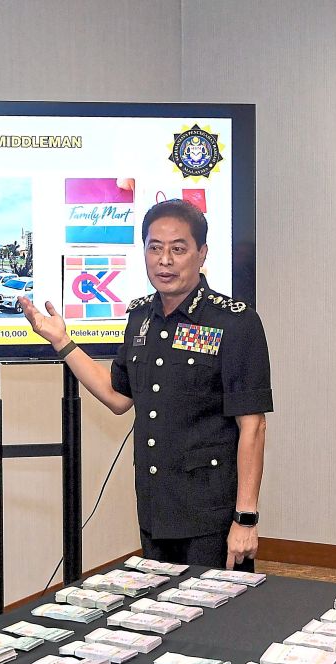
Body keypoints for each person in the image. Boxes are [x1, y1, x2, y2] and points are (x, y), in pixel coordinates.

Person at [20, 199, 271, 569]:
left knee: (214, 619)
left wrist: (245, 519)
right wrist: (63, 342)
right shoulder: (141, 318)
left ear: (202, 254)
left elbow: (253, 425)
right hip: (155, 510)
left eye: (178, 248)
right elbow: (117, 396)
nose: (165, 260)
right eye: (155, 248)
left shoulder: (235, 322)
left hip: (210, 517)